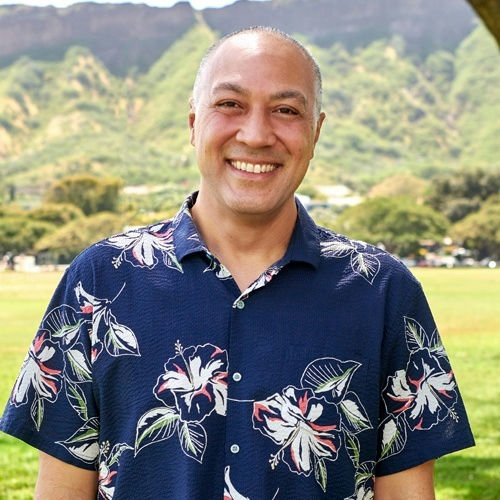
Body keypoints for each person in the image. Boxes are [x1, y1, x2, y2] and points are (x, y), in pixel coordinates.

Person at [0, 27, 474, 500]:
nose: (256, 135)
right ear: (193, 123)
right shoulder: (99, 282)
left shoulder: (383, 291)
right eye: (230, 104)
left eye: (286, 110)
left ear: (316, 132)